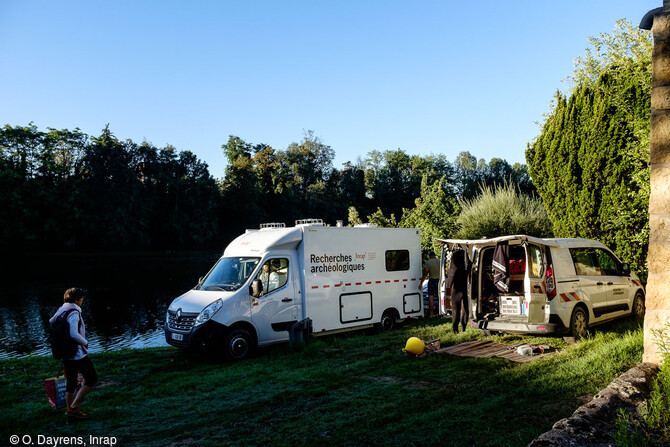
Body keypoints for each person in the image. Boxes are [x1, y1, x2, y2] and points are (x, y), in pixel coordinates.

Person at [49, 288, 98, 419]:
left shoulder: (62, 309)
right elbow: (74, 334)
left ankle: (70, 412)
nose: (82, 300)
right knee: (92, 378)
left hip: (65, 352)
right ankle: (73, 407)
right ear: (76, 299)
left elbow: (51, 321)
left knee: (71, 382)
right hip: (76, 353)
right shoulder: (74, 312)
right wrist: (84, 342)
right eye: (81, 298)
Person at [446, 250, 472, 334]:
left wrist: (449, 284)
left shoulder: (455, 255)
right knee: (465, 308)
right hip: (464, 284)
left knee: (455, 309)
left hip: (456, 286)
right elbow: (470, 266)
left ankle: (455, 328)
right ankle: (463, 327)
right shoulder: (465, 254)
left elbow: (453, 269)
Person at [419, 251, 440, 317]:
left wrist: (421, 283)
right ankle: (440, 312)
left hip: (431, 281)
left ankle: (431, 314)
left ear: (429, 256)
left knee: (431, 298)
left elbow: (425, 273)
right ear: (435, 255)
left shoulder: (428, 263)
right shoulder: (440, 262)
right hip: (439, 281)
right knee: (439, 297)